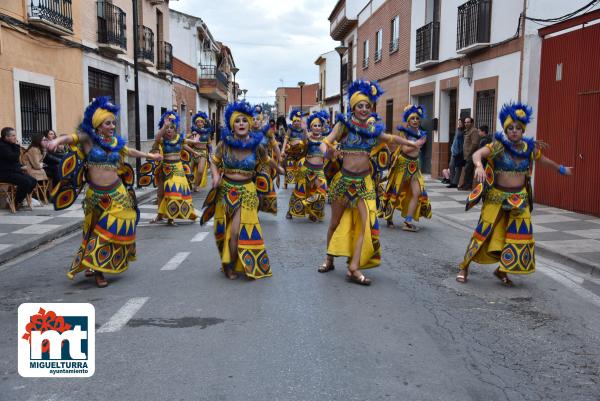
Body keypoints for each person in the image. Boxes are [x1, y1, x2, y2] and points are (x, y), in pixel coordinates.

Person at [46, 97, 162, 287]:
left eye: (113, 123)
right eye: (108, 123)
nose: (112, 126)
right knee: (93, 231)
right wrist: (56, 141)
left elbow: (130, 151)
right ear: (98, 125)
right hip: (95, 196)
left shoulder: (116, 142)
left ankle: (101, 270)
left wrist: (150, 156)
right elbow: (70, 138)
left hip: (117, 192)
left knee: (113, 228)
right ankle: (93, 266)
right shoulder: (89, 140)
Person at [319, 80, 424, 285]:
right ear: (353, 108)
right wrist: (329, 152)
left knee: (365, 224)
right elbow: (326, 142)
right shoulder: (344, 125)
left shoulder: (373, 129)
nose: (364, 109)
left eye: (367, 106)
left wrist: (411, 142)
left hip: (364, 182)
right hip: (344, 180)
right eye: (360, 106)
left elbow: (391, 138)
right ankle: (329, 258)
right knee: (334, 222)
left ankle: (353, 267)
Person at [456, 102, 573, 285]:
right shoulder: (498, 146)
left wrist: (561, 169)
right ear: (506, 129)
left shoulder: (529, 149)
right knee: (483, 232)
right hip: (497, 198)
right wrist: (479, 165)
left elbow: (544, 160)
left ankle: (502, 270)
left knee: (518, 237)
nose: (514, 131)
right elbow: (477, 154)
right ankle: (464, 266)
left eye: (518, 128)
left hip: (519, 199)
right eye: (511, 128)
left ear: (523, 130)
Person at [208, 100, 283, 280]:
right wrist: (216, 177)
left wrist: (278, 168)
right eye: (237, 120)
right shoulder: (224, 143)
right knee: (222, 231)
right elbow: (214, 161)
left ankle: (232, 264)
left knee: (236, 231)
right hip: (226, 191)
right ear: (232, 125)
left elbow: (266, 160)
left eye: (244, 120)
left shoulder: (257, 145)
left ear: (249, 124)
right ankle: (226, 261)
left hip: (247, 191)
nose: (241, 123)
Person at [379, 105, 432, 231]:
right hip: (403, 164)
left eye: (417, 118)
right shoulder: (404, 133)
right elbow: (405, 149)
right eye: (412, 118)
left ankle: (408, 221)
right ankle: (389, 216)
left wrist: (417, 144)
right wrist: (416, 144)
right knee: (396, 192)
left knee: (417, 193)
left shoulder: (423, 134)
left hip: (415, 166)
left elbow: (416, 149)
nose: (415, 120)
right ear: (408, 121)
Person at [150, 110, 199, 226]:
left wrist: (195, 150)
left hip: (177, 169)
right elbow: (156, 138)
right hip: (164, 169)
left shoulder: (179, 139)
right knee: (161, 193)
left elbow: (186, 144)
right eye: (167, 128)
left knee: (173, 192)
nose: (169, 130)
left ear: (175, 128)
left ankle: (171, 218)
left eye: (171, 128)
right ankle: (160, 215)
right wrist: (163, 126)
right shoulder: (162, 140)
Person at [287, 111, 328, 221]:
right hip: (306, 167)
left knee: (322, 191)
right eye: (315, 125)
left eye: (319, 125)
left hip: (319, 170)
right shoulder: (308, 138)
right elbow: (304, 140)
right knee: (299, 190)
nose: (317, 127)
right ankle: (291, 211)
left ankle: (307, 205)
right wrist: (305, 129)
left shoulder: (325, 139)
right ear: (311, 127)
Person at [0, 127, 36, 209]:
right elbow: (14, 158)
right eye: (13, 135)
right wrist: (17, 147)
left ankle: (19, 199)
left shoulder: (10, 144)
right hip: (4, 173)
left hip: (13, 171)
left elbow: (13, 162)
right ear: (6, 137)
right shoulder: (2, 146)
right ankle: (16, 203)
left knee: (33, 181)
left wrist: (21, 167)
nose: (15, 137)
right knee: (26, 182)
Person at [253, 110, 281, 214]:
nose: (255, 121)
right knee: (251, 188)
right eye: (253, 119)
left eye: (257, 120)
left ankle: (258, 208)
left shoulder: (267, 133)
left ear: (261, 122)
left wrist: (279, 159)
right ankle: (253, 210)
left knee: (262, 185)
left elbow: (275, 146)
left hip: (264, 164)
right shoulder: (246, 132)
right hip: (250, 164)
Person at [281, 109, 307, 190]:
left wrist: (305, 129)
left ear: (300, 121)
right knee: (289, 165)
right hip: (291, 152)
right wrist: (282, 150)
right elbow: (286, 139)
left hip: (301, 152)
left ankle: (300, 182)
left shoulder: (303, 130)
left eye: (298, 121)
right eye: (294, 121)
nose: (296, 123)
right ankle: (286, 182)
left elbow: (306, 139)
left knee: (301, 166)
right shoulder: (290, 129)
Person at [187, 111, 213, 192]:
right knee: (188, 171)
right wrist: (191, 135)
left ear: (204, 123)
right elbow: (186, 141)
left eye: (201, 121)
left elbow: (209, 144)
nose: (199, 123)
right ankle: (188, 184)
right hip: (193, 152)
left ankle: (196, 185)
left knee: (200, 171)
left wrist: (211, 153)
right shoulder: (193, 132)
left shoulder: (207, 133)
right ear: (195, 123)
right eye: (197, 122)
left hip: (203, 153)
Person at [459, 117, 478, 190]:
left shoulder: (474, 131)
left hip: (471, 155)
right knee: (466, 170)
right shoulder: (467, 131)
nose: (466, 124)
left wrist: (469, 153)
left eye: (468, 122)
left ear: (472, 123)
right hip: (466, 155)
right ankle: (466, 184)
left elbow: (474, 144)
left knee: (468, 170)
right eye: (465, 122)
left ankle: (468, 185)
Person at [447, 119, 464, 188]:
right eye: (458, 122)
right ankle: (452, 181)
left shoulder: (463, 132)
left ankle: (455, 183)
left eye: (460, 122)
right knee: (451, 166)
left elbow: (462, 143)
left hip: (459, 152)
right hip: (454, 151)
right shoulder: (458, 130)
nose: (459, 124)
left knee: (458, 168)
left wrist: (460, 151)